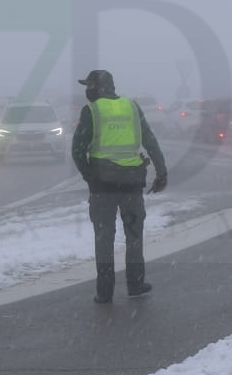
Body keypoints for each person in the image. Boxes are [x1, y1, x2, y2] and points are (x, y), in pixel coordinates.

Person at [72, 69, 168, 303]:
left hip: (103, 186)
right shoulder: (132, 107)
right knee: (134, 236)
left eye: (90, 85)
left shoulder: (92, 111)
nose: (87, 90)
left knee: (104, 239)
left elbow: (77, 150)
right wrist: (161, 171)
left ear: (100, 87)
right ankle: (135, 284)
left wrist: (89, 176)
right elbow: (150, 140)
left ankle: (104, 292)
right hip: (132, 184)